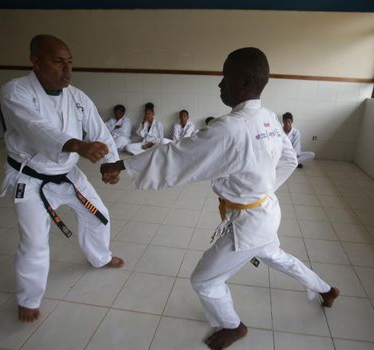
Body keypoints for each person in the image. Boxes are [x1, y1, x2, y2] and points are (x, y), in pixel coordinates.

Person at [101, 47, 338, 350]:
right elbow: (290, 160)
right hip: (266, 211)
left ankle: (232, 325)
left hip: (250, 223)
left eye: (225, 77)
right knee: (277, 256)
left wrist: (122, 165)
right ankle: (327, 289)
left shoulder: (229, 128)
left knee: (204, 281)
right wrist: (262, 191)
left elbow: (176, 156)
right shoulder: (268, 117)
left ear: (244, 82)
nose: (219, 84)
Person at [0, 34, 124, 323]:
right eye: (58, 63)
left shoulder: (78, 97)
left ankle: (100, 257)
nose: (67, 71)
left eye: (70, 63)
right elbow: (36, 130)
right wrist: (79, 146)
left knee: (99, 215)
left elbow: (100, 133)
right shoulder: (15, 91)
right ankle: (29, 298)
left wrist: (110, 165)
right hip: (29, 179)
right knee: (34, 242)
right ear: (35, 61)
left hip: (67, 174)